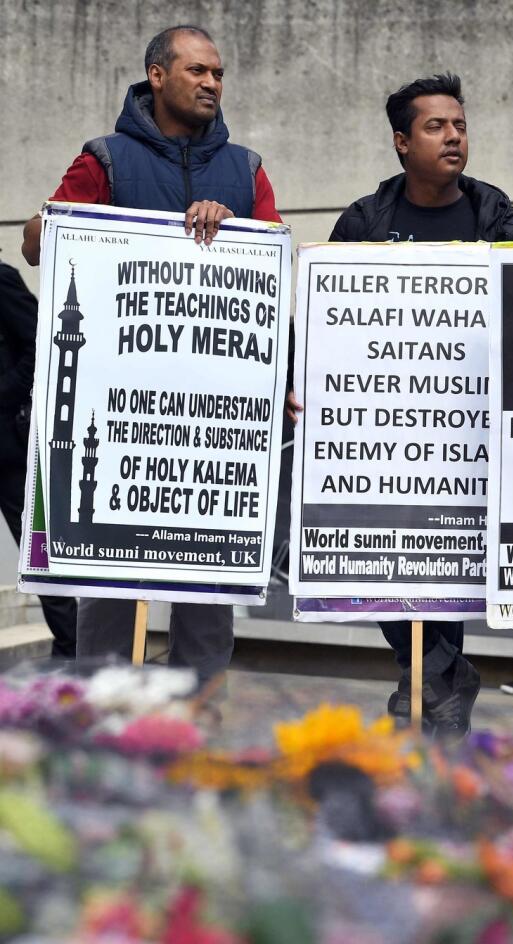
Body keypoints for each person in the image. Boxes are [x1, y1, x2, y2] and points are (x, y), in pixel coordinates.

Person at [20, 25, 282, 683]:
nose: (212, 84)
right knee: (108, 588)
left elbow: (274, 270)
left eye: (218, 74)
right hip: (118, 416)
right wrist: (51, 224)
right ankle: (101, 739)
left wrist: (239, 229)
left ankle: (199, 732)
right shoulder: (105, 161)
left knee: (208, 593)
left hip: (211, 425)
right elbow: (37, 242)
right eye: (197, 71)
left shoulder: (246, 170)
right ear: (157, 76)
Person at [288, 73, 513, 734]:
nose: (454, 137)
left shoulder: (494, 216)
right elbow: (321, 317)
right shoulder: (367, 222)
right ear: (402, 142)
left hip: (466, 430)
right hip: (379, 432)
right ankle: (433, 669)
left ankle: (429, 679)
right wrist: (298, 379)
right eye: (436, 126)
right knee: (375, 554)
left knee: (443, 555)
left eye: (459, 125)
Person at [0, 261, 77, 658]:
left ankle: (71, 649)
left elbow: (39, 343)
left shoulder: (2, 278)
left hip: (6, 450)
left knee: (38, 551)